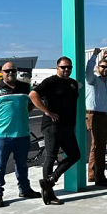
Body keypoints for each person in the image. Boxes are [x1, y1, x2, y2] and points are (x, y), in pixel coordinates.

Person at [0, 62, 41, 208]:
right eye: (7, 71)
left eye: (13, 70)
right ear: (2, 72)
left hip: (22, 134)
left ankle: (25, 189)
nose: (10, 73)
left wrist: (24, 112)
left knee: (22, 165)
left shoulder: (26, 88)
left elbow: (32, 102)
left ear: (16, 71)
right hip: (2, 136)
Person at [30, 56, 81, 204]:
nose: (66, 70)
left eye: (69, 67)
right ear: (57, 68)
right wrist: (47, 111)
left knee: (75, 155)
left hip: (68, 126)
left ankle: (51, 179)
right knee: (51, 157)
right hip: (52, 126)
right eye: (63, 67)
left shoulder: (73, 84)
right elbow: (33, 95)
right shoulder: (50, 82)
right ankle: (48, 195)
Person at [85, 48, 107, 186]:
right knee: (98, 146)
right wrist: (95, 56)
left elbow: (106, 98)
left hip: (103, 116)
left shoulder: (105, 81)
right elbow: (88, 71)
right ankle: (99, 176)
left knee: (98, 146)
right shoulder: (92, 80)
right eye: (103, 67)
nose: (105, 69)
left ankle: (93, 174)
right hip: (94, 115)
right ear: (98, 68)